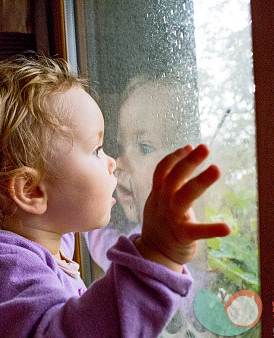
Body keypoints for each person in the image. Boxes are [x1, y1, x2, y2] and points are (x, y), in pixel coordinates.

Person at [0, 56, 230, 337]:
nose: (112, 162)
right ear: (31, 191)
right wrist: (157, 254)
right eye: (96, 150)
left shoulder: (40, 239)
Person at [85, 76, 212, 336]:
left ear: (186, 168)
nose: (119, 162)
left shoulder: (155, 245)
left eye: (144, 147)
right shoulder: (136, 238)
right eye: (120, 146)